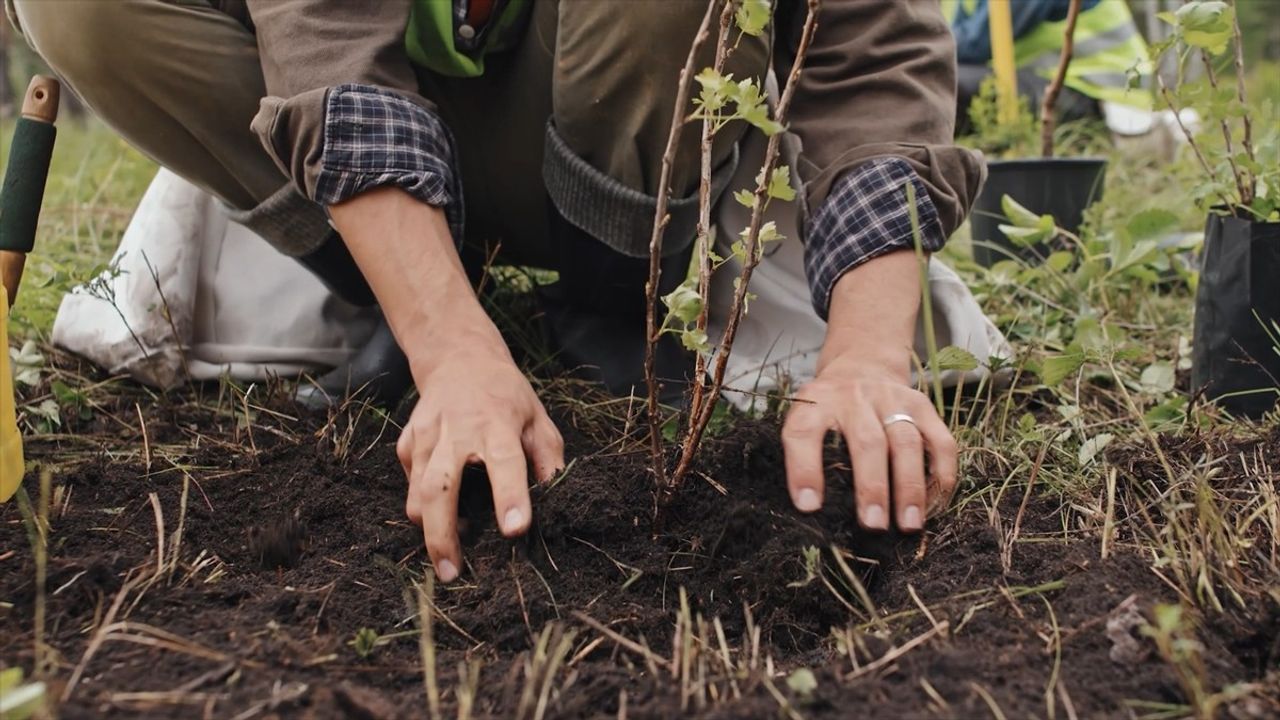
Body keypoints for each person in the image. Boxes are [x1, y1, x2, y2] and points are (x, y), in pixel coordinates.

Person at [8, 0, 984, 582]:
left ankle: (610, 299)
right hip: (377, 114)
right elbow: (326, 39)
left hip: (627, 122)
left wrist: (862, 355)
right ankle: (392, 292)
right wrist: (449, 347)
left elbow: (871, 50)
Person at [948, 0, 1153, 134]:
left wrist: (922, 49)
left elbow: (974, 45)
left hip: (1098, 95)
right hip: (1048, 82)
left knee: (944, 85)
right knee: (936, 80)